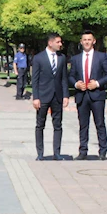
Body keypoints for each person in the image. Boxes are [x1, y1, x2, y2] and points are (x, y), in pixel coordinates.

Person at [69, 30, 107, 160]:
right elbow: (71, 75)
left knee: (99, 123)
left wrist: (98, 83)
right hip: (81, 95)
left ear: (93, 41)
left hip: (97, 95)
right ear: (81, 42)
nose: (87, 42)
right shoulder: (76, 58)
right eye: (84, 40)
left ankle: (103, 151)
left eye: (89, 39)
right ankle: (83, 151)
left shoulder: (101, 57)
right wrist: (76, 84)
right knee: (83, 124)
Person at [31, 33, 69, 161]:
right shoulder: (38, 58)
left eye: (60, 42)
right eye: (58, 42)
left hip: (57, 96)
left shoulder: (62, 58)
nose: (60, 44)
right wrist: (35, 97)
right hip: (42, 96)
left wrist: (66, 95)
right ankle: (40, 153)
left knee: (58, 125)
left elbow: (64, 78)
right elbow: (34, 80)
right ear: (50, 43)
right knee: (40, 125)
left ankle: (57, 153)